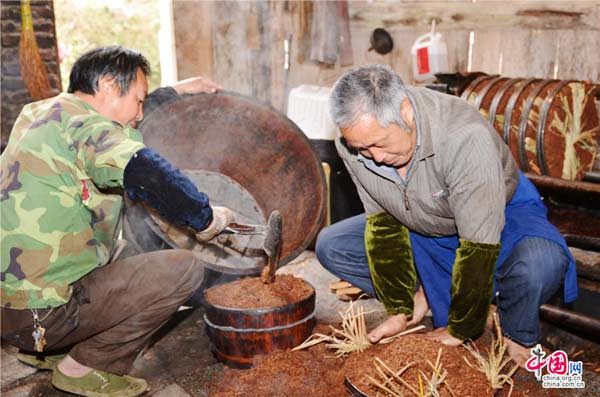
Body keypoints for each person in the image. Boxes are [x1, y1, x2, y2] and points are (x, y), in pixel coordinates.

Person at [1, 45, 230, 396]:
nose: (140, 114)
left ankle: (47, 349)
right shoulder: (89, 127)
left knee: (125, 251)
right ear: (108, 85)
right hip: (41, 314)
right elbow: (144, 168)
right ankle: (84, 366)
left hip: (11, 307)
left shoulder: (42, 112)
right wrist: (205, 217)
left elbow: (113, 124)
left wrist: (174, 91)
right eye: (139, 101)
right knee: (184, 268)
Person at [316, 65, 578, 366]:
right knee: (332, 244)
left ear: (406, 112)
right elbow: (384, 226)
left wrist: (461, 328)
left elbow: (478, 244)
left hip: (497, 210)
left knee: (540, 262)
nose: (375, 158)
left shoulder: (464, 138)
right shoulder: (355, 147)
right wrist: (398, 308)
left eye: (379, 144)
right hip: (421, 216)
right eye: (363, 148)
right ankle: (424, 295)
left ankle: (514, 329)